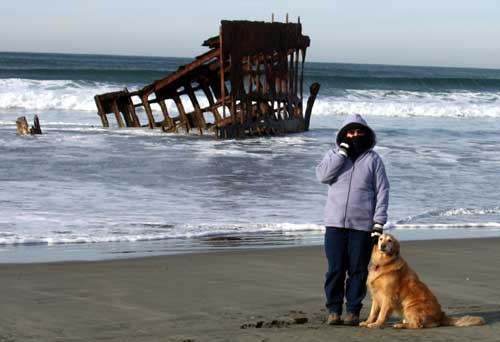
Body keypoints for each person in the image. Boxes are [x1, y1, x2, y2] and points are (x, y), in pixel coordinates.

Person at [315, 113, 389, 326]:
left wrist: (378, 223)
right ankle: (334, 310)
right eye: (350, 131)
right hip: (335, 223)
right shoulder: (333, 155)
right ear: (344, 134)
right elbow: (322, 176)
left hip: (363, 226)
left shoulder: (373, 159)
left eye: (358, 132)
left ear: (365, 134)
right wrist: (342, 154)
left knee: (357, 270)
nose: (355, 135)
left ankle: (353, 312)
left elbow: (382, 191)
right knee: (336, 268)